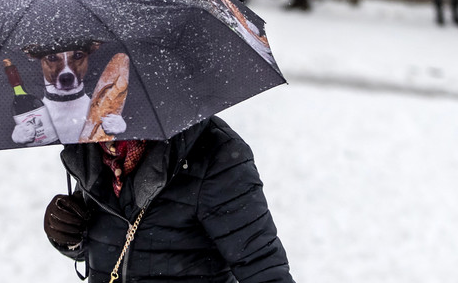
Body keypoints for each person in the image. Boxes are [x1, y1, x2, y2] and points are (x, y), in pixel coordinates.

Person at [43, 116, 296, 282]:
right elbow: (109, 249)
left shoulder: (216, 154)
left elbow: (262, 266)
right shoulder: (95, 148)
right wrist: (68, 234)